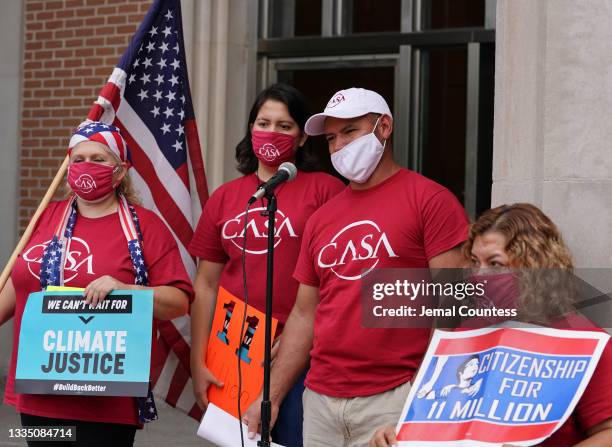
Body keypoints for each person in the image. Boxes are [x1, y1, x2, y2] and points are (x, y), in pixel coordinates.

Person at [243, 87, 469, 446]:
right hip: (319, 401)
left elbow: (453, 305)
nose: (338, 146)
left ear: (384, 127)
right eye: (331, 137)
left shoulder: (430, 200)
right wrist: (270, 396)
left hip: (394, 398)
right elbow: (305, 315)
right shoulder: (322, 218)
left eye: (350, 131)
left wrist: (425, 395)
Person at [0, 121, 193, 447]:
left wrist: (127, 290)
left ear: (120, 171)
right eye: (78, 159)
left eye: (99, 159)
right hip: (38, 393)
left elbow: (179, 300)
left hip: (106, 402)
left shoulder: (146, 227)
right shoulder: (46, 216)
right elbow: (18, 288)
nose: (86, 166)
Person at [369, 203, 612, 447]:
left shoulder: (583, 340)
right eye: (475, 262)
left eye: (495, 264)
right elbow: (434, 417)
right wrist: (397, 435)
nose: (480, 275)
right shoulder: (465, 331)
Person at [188, 83, 344, 446]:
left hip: (303, 354)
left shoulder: (326, 190)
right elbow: (205, 284)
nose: (271, 132)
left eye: (284, 126)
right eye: (263, 123)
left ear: (303, 137)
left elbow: (339, 279)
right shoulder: (225, 197)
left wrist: (298, 337)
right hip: (235, 350)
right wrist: (198, 360)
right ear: (250, 130)